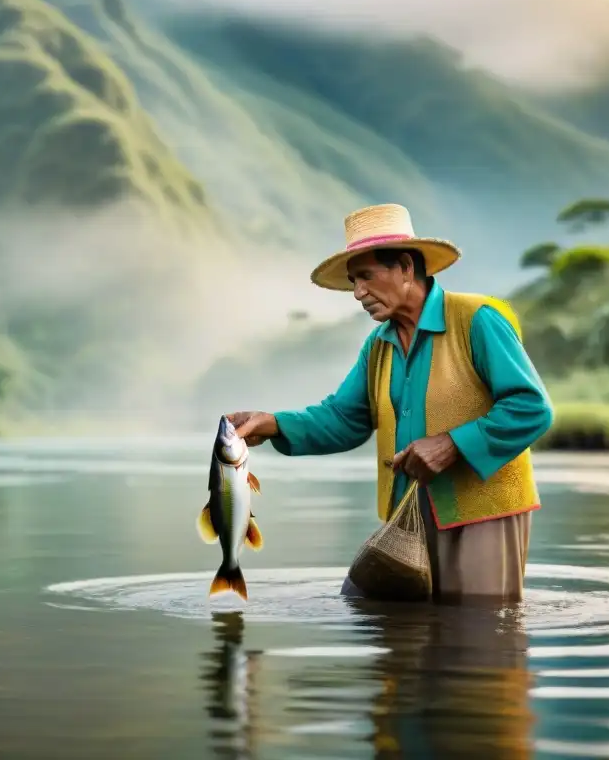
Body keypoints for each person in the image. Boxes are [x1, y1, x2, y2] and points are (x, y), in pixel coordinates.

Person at [228, 203, 553, 602]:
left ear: (405, 267)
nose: (358, 292)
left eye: (366, 276)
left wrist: (451, 445)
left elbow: (531, 406)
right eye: (353, 282)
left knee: (478, 636)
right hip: (407, 513)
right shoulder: (378, 345)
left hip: (482, 511)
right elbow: (344, 417)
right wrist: (273, 423)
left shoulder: (477, 319)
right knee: (401, 633)